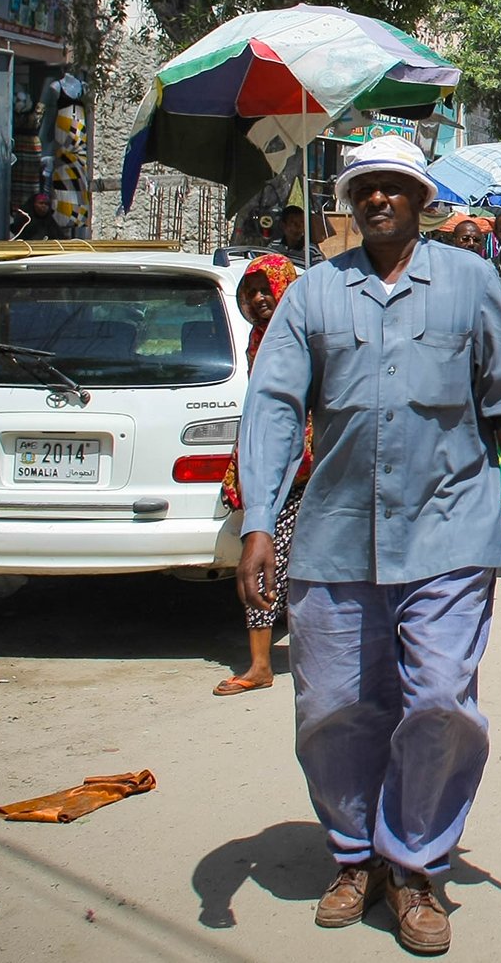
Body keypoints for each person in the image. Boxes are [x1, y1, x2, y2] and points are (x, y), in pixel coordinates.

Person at [235, 134, 501, 956]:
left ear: (420, 201)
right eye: (364, 188)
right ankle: (353, 856)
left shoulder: (473, 282)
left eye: (394, 188)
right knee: (333, 708)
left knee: (440, 698)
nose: (378, 200)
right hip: (337, 535)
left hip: (450, 529)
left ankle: (414, 866)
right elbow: (270, 407)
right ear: (350, 202)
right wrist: (260, 521)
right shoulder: (311, 297)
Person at [215, 253, 311, 697]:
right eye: (250, 293)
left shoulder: (304, 334)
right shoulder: (257, 338)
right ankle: (259, 663)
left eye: (264, 289)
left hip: (311, 464)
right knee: (262, 558)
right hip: (276, 470)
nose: (258, 299)